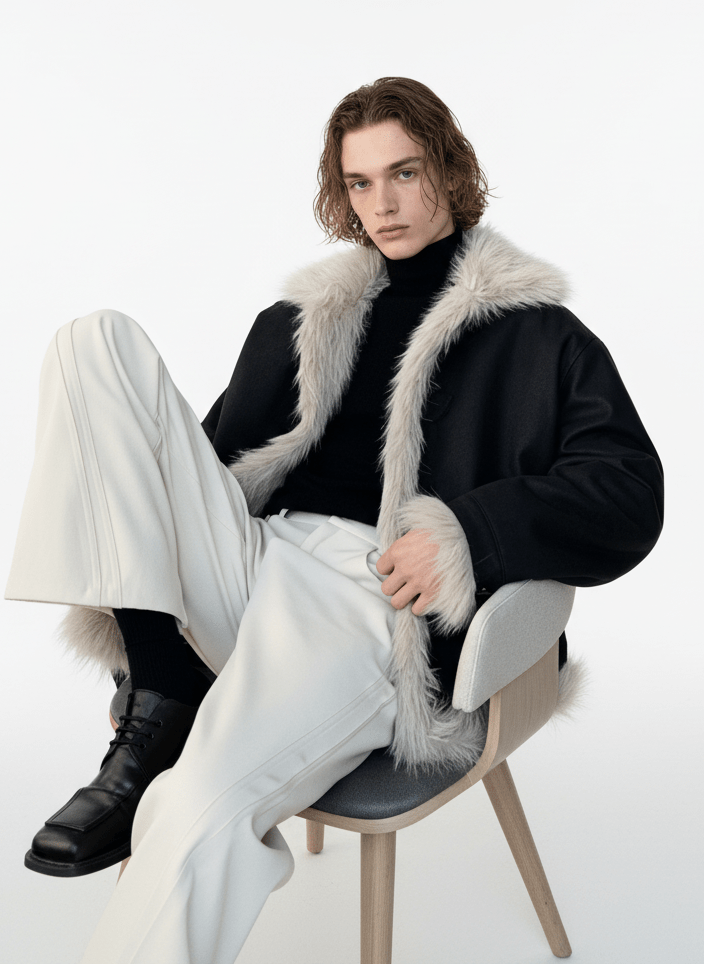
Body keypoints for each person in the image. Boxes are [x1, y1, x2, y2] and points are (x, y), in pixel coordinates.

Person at [5, 76, 663, 962]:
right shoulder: (296, 322)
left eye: (404, 173)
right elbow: (189, 468)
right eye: (360, 183)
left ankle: (181, 740)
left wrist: (469, 534)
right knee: (93, 342)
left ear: (451, 171)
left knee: (199, 806)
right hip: (254, 556)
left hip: (367, 602)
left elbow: (628, 488)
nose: (382, 204)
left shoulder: (538, 336)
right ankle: (166, 684)